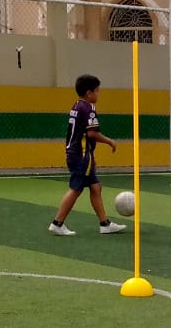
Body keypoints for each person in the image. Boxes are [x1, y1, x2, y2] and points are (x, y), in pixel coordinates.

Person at [49, 74, 127, 237]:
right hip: (81, 155)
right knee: (76, 189)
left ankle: (104, 224)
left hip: (77, 152)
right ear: (89, 93)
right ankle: (57, 223)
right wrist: (109, 141)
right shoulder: (88, 108)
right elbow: (92, 133)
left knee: (95, 187)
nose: (98, 94)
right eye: (97, 91)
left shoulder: (77, 106)